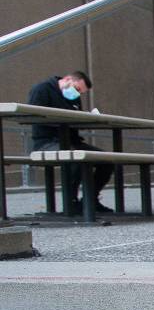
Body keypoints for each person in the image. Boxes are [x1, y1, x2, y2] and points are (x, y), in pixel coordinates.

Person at [27, 71, 114, 214]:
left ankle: (89, 200)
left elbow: (75, 119)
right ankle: (71, 203)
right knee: (75, 158)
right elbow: (33, 117)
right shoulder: (42, 89)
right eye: (77, 89)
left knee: (106, 161)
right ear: (67, 79)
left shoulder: (73, 97)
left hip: (71, 141)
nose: (77, 94)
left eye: (81, 92)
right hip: (47, 142)